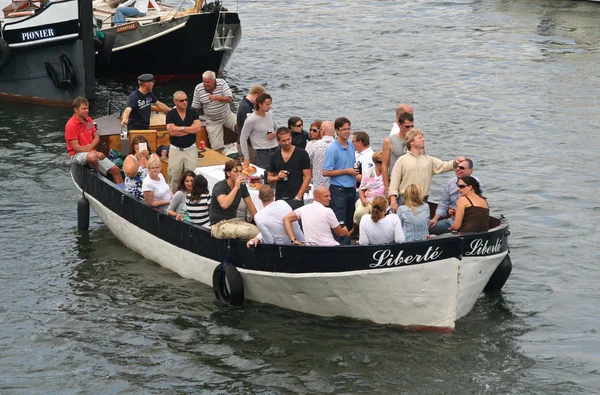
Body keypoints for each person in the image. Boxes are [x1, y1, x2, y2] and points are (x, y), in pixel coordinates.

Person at [388, 129, 465, 213]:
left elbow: (444, 166)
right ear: (411, 142)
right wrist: (393, 200)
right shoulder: (401, 160)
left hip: (422, 200)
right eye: (420, 138)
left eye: (423, 138)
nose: (423, 139)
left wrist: (455, 162)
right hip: (405, 200)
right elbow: (394, 182)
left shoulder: (429, 160)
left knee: (422, 225)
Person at [65, 97, 123, 183]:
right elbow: (76, 148)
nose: (87, 110)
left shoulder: (88, 120)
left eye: (87, 108)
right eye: (83, 108)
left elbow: (96, 137)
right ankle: (98, 176)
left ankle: (124, 191)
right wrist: (94, 152)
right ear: (76, 110)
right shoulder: (71, 125)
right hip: (76, 154)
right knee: (92, 157)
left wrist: (91, 146)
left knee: (116, 169)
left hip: (90, 151)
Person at [429, 158, 483, 235]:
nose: (458, 169)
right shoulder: (450, 183)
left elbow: (477, 206)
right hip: (452, 221)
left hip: (469, 223)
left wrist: (457, 213)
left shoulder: (475, 183)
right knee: (429, 228)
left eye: (461, 168)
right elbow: (443, 204)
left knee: (453, 235)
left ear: (470, 170)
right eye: (457, 167)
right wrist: (435, 219)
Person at [322, 117, 358, 230]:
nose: (347, 132)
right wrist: (346, 171)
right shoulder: (332, 149)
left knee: (350, 222)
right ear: (337, 131)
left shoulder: (351, 145)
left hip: (351, 189)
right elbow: (325, 171)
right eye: (344, 129)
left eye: (348, 129)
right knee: (340, 224)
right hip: (338, 191)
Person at [283, 186, 349, 246]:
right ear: (317, 198)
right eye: (326, 196)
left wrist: (293, 239)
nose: (329, 198)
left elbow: (286, 219)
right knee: (346, 238)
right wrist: (345, 231)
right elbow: (340, 233)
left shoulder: (303, 209)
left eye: (329, 196)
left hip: (312, 248)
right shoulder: (328, 211)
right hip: (329, 247)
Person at [191, 70, 236, 153]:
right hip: (212, 121)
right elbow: (195, 107)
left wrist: (217, 98)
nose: (205, 84)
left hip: (227, 115)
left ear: (214, 80)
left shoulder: (222, 83)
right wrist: (192, 120)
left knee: (241, 126)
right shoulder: (198, 88)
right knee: (216, 148)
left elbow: (229, 99)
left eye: (208, 82)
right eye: (204, 82)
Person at [165, 90, 201, 192]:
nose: (185, 102)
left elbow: (197, 129)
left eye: (186, 100)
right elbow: (172, 132)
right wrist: (190, 129)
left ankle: (189, 197)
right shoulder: (170, 114)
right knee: (174, 176)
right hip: (176, 150)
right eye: (182, 100)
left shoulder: (193, 113)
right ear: (176, 102)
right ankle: (172, 198)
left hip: (191, 150)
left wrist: (180, 128)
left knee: (191, 177)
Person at [267, 127, 311, 210]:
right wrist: (277, 177)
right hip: (280, 197)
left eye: (289, 139)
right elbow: (269, 178)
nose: (287, 142)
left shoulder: (302, 154)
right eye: (284, 140)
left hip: (296, 197)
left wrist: (299, 196)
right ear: (278, 141)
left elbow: (308, 176)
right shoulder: (275, 156)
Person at [209, 159, 258, 225]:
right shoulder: (219, 186)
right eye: (236, 172)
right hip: (218, 224)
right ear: (228, 173)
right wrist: (236, 188)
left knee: (257, 231)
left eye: (240, 172)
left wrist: (259, 223)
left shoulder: (242, 186)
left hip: (232, 222)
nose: (239, 174)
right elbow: (224, 205)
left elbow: (250, 205)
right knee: (250, 232)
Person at [350, 150, 385, 235]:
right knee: (360, 213)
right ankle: (355, 230)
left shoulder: (388, 173)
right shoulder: (369, 172)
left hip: (382, 201)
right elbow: (362, 189)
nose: (383, 164)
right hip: (368, 199)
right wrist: (363, 200)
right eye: (380, 162)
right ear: (375, 163)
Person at [239, 93, 279, 169]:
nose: (270, 107)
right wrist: (246, 158)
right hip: (262, 153)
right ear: (260, 104)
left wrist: (275, 134)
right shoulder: (251, 120)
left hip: (276, 148)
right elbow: (243, 139)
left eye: (270, 104)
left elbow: (277, 128)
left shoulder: (270, 114)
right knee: (264, 175)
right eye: (267, 104)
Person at [382, 112, 414, 194]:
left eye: (412, 126)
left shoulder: (415, 141)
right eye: (407, 127)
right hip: (395, 183)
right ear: (399, 125)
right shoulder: (389, 141)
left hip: (411, 183)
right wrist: (386, 188)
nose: (410, 129)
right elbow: (384, 166)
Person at [236, 85, 265, 163]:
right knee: (249, 168)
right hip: (247, 145)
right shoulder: (246, 108)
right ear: (256, 95)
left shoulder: (248, 105)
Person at [307, 120, 334, 188]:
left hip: (318, 184)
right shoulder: (339, 145)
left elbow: (307, 163)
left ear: (322, 131)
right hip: (334, 184)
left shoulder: (315, 145)